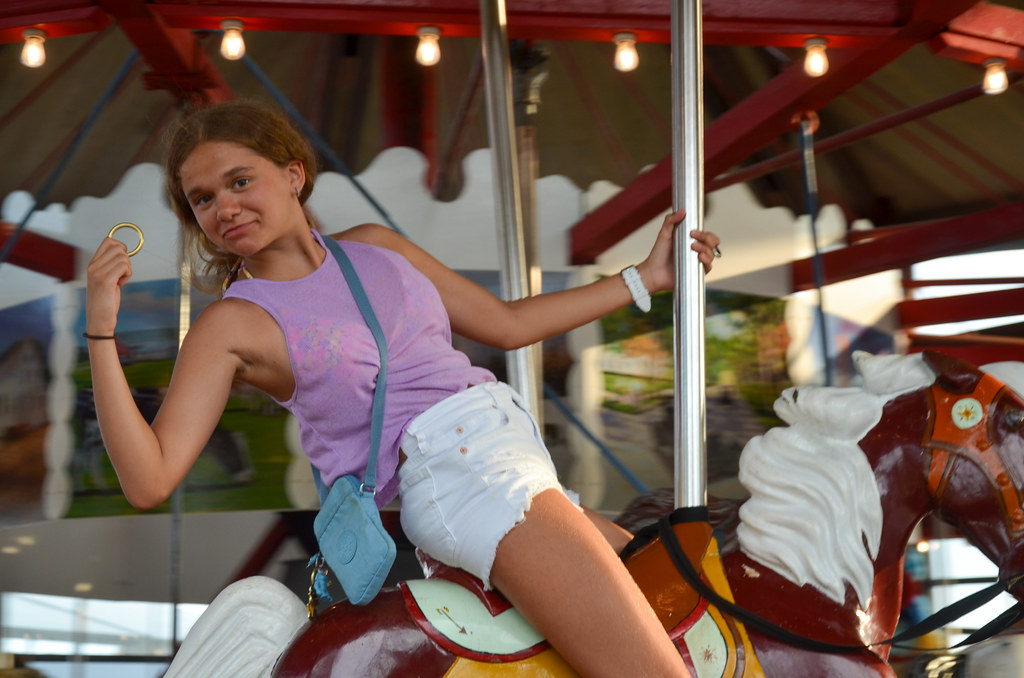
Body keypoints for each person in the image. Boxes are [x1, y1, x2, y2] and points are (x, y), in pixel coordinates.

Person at [85, 99, 721, 678]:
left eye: (239, 181)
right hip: (466, 480)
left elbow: (506, 322)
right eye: (200, 199)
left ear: (293, 174)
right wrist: (101, 333)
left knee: (690, 610)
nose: (223, 208)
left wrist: (642, 279)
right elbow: (150, 478)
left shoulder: (376, 248)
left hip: (513, 459)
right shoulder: (233, 323)